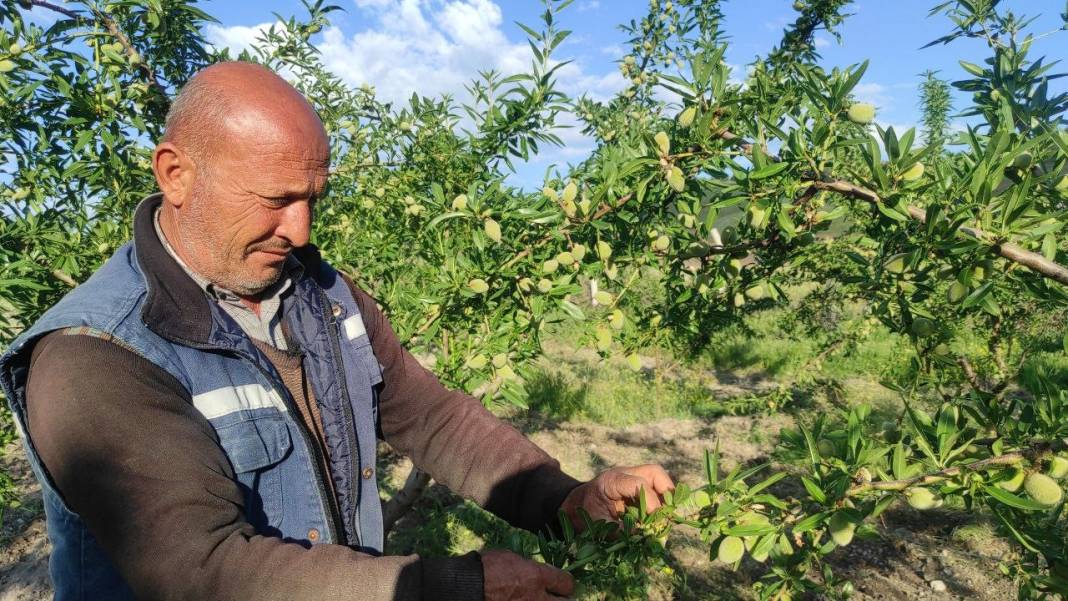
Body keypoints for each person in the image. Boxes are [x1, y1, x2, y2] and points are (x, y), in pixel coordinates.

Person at [0, 61, 674, 600]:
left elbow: (431, 417)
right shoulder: (95, 355)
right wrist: (451, 585)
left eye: (312, 198)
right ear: (176, 174)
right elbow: (201, 571)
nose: (300, 230)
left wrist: (564, 500)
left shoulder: (321, 295)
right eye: (276, 199)